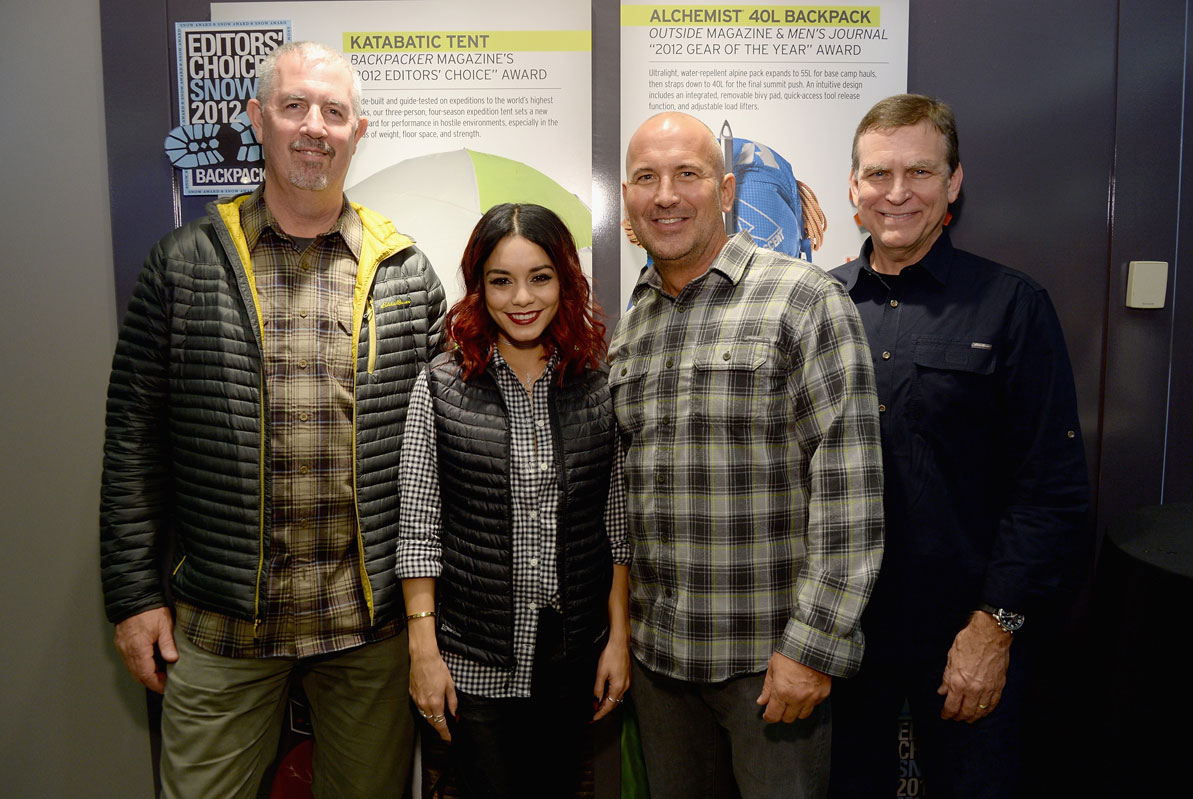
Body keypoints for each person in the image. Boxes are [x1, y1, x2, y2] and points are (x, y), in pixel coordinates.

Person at [100, 41, 445, 798]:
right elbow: (134, 440)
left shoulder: (406, 273)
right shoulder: (184, 263)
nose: (313, 126)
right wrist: (133, 596)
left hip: (368, 627)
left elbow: (438, 456)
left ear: (359, 130)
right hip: (225, 624)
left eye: (333, 111)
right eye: (294, 106)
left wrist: (430, 615)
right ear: (258, 119)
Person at [610, 111, 885, 798]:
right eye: (647, 178)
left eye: (688, 175)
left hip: (768, 668)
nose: (666, 195)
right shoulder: (633, 321)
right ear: (627, 200)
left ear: (727, 190)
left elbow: (848, 488)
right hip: (661, 665)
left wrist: (812, 646)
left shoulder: (804, 298)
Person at [828, 93, 1090, 799]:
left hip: (966, 635)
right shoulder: (817, 306)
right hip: (840, 638)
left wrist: (994, 626)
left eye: (919, 171)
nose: (897, 192)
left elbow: (1052, 489)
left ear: (954, 182)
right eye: (879, 174)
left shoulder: (1011, 304)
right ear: (853, 187)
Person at [396, 203, 631, 798]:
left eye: (540, 277)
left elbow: (616, 525)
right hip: (473, 660)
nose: (521, 298)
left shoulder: (596, 382)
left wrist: (618, 640)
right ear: (479, 287)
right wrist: (423, 651)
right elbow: (418, 530)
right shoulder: (443, 385)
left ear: (566, 282)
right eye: (501, 280)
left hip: (569, 658)